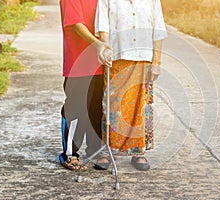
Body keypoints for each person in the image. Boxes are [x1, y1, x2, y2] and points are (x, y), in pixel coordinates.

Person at [94, 0, 167, 171]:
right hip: (117, 56)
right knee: (112, 105)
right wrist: (105, 48)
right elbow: (103, 26)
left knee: (141, 106)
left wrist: (157, 61)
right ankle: (107, 151)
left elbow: (158, 30)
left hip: (143, 57)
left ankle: (138, 152)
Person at [58, 0, 112, 171]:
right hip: (78, 62)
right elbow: (75, 23)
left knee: (96, 110)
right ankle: (69, 153)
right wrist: (98, 44)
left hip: (100, 63)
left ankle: (94, 150)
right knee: (75, 108)